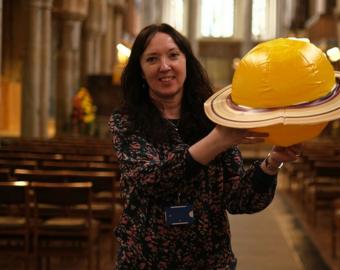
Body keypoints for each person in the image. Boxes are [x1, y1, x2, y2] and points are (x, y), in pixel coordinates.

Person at [108, 23, 301, 270]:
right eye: (152, 59)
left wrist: (272, 163)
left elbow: (240, 199)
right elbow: (149, 182)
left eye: (173, 55)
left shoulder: (215, 119)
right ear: (140, 70)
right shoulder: (126, 121)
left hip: (210, 261)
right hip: (147, 260)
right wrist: (217, 140)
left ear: (187, 61)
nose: (165, 66)